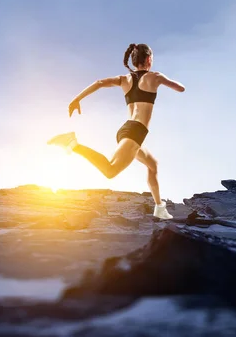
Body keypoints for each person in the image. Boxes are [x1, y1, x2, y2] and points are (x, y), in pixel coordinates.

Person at [47, 43, 185, 219]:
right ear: (149, 59)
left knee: (152, 165)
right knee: (110, 171)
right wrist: (167, 81)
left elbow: (99, 83)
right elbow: (180, 88)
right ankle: (73, 144)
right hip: (135, 132)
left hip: (127, 130)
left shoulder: (124, 79)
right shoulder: (155, 77)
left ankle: (159, 207)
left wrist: (76, 99)